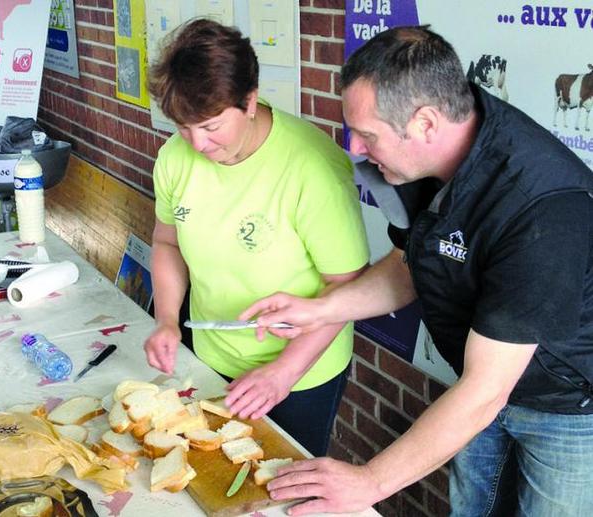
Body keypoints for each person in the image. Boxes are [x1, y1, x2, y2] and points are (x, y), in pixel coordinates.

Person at [241, 26, 593, 516]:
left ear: (426, 123)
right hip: (482, 379)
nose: (357, 150)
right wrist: (319, 309)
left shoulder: (540, 208)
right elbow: (408, 268)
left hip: (569, 405)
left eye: (367, 135)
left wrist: (369, 482)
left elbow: (485, 392)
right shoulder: (425, 162)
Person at [143, 18, 369, 456]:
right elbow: (167, 242)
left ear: (249, 100)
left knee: (280, 486)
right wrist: (168, 320)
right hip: (210, 353)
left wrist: (283, 373)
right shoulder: (174, 159)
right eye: (182, 127)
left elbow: (348, 286)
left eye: (210, 127)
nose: (196, 144)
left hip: (301, 369)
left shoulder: (313, 169)